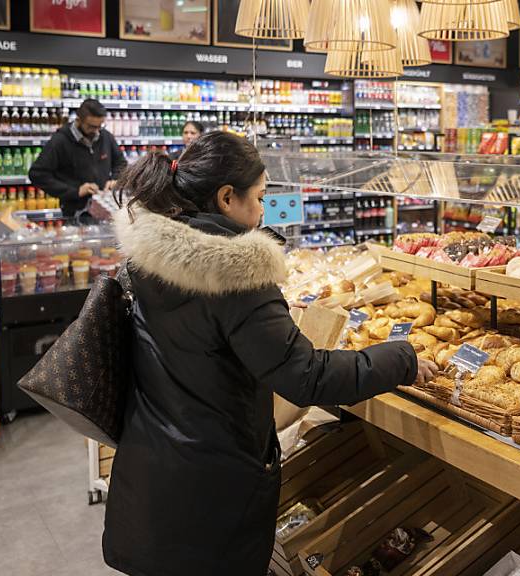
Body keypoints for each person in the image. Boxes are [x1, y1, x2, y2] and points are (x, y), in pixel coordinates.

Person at [102, 131, 439, 576]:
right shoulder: (235, 277)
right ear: (226, 197)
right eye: (259, 197)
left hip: (151, 474)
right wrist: (401, 358)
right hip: (211, 493)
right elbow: (306, 377)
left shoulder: (146, 256)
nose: (263, 210)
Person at [29, 99, 127, 219]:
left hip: (104, 208)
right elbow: (37, 174)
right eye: (91, 126)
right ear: (79, 120)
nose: (96, 131)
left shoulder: (105, 136)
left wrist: (115, 179)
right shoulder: (60, 141)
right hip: (75, 212)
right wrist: (75, 191)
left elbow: (121, 163)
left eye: (99, 126)